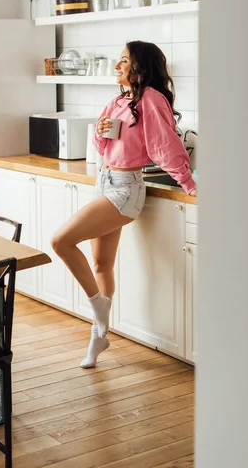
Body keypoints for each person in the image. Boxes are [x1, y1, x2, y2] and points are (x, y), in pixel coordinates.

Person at [51, 40, 197, 369]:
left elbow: (164, 146)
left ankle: (98, 307)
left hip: (126, 189)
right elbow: (104, 149)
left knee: (60, 241)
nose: (117, 66)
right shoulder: (119, 100)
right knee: (101, 265)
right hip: (105, 181)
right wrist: (100, 132)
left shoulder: (152, 99)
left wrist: (188, 184)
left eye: (123, 61)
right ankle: (99, 336)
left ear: (140, 69)